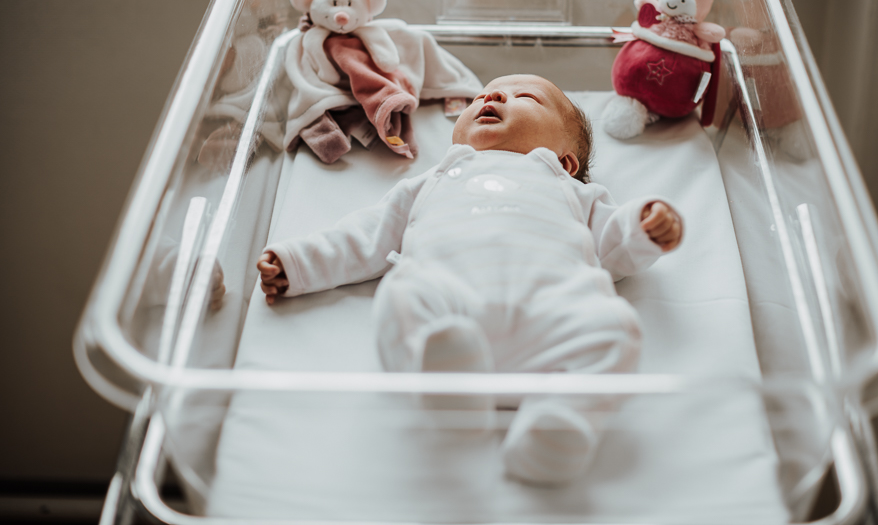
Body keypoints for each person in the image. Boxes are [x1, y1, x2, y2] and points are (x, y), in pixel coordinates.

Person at [257, 74, 683, 485]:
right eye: (486, 94)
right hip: (449, 308)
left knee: (616, 330)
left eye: (526, 99)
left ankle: (558, 423)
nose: (493, 99)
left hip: (553, 313)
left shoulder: (572, 190)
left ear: (566, 161)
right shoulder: (432, 180)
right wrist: (298, 263)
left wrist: (644, 225)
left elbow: (615, 243)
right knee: (403, 297)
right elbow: (363, 235)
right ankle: (444, 384)